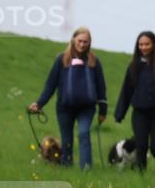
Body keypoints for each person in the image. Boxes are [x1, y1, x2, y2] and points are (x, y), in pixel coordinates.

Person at [28, 26, 107, 170]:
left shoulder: (94, 61)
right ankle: (66, 167)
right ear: (73, 40)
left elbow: (101, 87)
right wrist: (39, 104)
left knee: (84, 134)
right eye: (80, 41)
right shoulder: (61, 59)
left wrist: (103, 110)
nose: (82, 44)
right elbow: (51, 84)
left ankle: (86, 169)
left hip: (87, 108)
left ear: (90, 42)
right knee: (66, 140)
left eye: (86, 42)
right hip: (64, 108)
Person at [113, 31, 155, 172]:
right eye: (141, 44)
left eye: (147, 44)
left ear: (154, 45)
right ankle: (141, 176)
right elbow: (126, 91)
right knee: (141, 145)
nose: (143, 47)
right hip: (140, 113)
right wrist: (120, 113)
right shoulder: (133, 67)